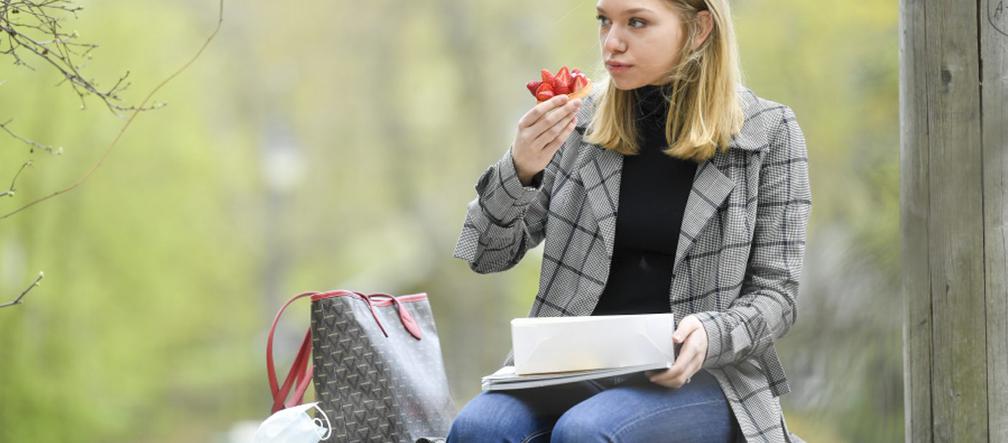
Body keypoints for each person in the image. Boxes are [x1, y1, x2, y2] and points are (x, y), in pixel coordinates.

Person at [449, 0, 811, 441]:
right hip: (572, 363)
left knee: (586, 432)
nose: (611, 42)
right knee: (476, 429)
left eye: (636, 22)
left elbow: (778, 295)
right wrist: (520, 169)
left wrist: (712, 334)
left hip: (703, 373)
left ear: (698, 29)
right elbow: (487, 256)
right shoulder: (580, 122)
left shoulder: (768, 133)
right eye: (605, 21)